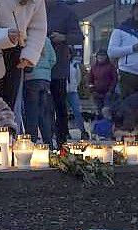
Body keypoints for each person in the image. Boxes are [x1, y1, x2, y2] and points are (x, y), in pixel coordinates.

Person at [0, 0, 47, 109]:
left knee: (8, 107)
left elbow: (38, 28)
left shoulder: (38, 1)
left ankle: (4, 126)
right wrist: (5, 35)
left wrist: (29, 54)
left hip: (17, 56)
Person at [45, 0, 82, 146]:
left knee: (59, 104)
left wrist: (64, 37)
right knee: (41, 105)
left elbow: (79, 36)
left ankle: (61, 139)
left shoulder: (66, 11)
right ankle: (45, 138)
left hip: (58, 67)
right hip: (35, 66)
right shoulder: (34, 7)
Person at [24, 37, 56, 146]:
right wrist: (46, 70)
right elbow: (53, 59)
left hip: (31, 78)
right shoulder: (46, 40)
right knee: (44, 113)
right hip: (45, 80)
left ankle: (31, 143)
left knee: (31, 113)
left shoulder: (27, 38)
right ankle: (49, 144)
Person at [108, 3, 138, 99]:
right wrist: (132, 48)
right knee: (128, 108)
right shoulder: (120, 30)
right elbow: (111, 52)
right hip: (128, 74)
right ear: (132, 12)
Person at [89, 48, 118, 115]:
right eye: (99, 55)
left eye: (103, 55)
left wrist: (110, 91)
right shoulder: (93, 67)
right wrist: (92, 91)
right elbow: (90, 80)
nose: (101, 57)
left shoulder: (111, 67)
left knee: (106, 111)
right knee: (98, 112)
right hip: (97, 94)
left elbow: (114, 80)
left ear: (106, 57)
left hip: (108, 94)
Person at [66, 56, 89, 140]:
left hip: (72, 90)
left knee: (77, 111)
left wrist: (75, 86)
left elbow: (78, 77)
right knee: (63, 113)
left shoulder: (75, 64)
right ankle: (65, 131)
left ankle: (83, 131)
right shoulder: (60, 63)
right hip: (62, 90)